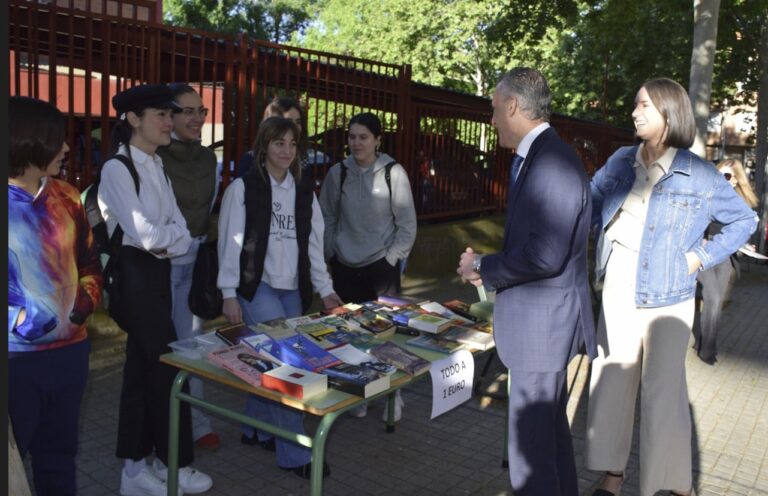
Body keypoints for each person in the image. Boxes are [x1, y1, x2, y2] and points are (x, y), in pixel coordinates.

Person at [585, 78, 758, 496]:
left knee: (663, 393)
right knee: (610, 382)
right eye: (634, 104)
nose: (634, 111)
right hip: (618, 283)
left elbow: (744, 220)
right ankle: (613, 475)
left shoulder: (697, 173)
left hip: (670, 291)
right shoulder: (621, 161)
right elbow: (588, 203)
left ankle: (669, 484)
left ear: (669, 112)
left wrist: (699, 257)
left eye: (643, 105)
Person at [456, 68, 596, 496]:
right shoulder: (539, 157)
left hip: (542, 331)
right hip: (541, 328)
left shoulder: (551, 162)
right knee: (547, 445)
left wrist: (485, 266)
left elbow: (545, 254)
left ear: (513, 105)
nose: (492, 118)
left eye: (494, 109)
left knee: (531, 462)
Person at [98, 84, 213, 496]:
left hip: (158, 276)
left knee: (140, 372)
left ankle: (133, 468)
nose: (170, 122)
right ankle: (173, 463)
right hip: (135, 279)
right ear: (133, 119)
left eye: (171, 115)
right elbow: (146, 235)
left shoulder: (156, 164)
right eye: (161, 115)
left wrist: (170, 238)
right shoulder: (117, 168)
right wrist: (171, 238)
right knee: (164, 368)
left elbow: (179, 227)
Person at [217, 116, 342, 479]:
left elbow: (314, 247)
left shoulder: (305, 192)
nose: (286, 151)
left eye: (292, 144)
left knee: (273, 363)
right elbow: (230, 245)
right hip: (258, 288)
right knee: (289, 367)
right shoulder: (243, 189)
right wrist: (229, 294)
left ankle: (253, 427)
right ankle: (296, 453)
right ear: (263, 147)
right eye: (278, 144)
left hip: (294, 289)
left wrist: (327, 289)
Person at [8, 96, 103, 496]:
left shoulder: (68, 196)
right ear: (29, 142)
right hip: (15, 362)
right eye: (58, 140)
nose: (67, 148)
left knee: (60, 456)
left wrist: (82, 308)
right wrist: (19, 323)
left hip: (70, 355)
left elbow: (90, 263)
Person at [318, 111, 417, 421]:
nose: (356, 143)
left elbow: (407, 225)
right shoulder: (339, 173)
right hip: (345, 266)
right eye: (352, 137)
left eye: (363, 137)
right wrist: (330, 252)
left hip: (380, 267)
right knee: (348, 336)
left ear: (377, 140)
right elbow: (328, 216)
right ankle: (358, 394)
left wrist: (390, 260)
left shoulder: (393, 173)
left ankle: (392, 395)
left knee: (384, 335)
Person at [157, 83, 221, 450]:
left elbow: (207, 208)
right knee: (156, 346)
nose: (197, 118)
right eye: (189, 111)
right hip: (160, 264)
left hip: (195, 262)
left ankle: (197, 422)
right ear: (169, 116)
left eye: (202, 111)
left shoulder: (208, 158)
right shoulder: (155, 157)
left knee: (192, 346)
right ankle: (160, 422)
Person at [692, 158, 759, 365]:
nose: (722, 178)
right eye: (719, 173)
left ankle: (703, 343)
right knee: (711, 297)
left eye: (727, 175)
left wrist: (745, 245)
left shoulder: (740, 205)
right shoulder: (706, 195)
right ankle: (707, 351)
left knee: (717, 301)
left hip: (724, 257)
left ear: (736, 181)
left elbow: (739, 233)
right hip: (703, 252)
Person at [237, 96, 327, 177]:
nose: (295, 127)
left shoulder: (302, 158)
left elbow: (305, 191)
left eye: (298, 122)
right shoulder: (250, 160)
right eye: (289, 122)